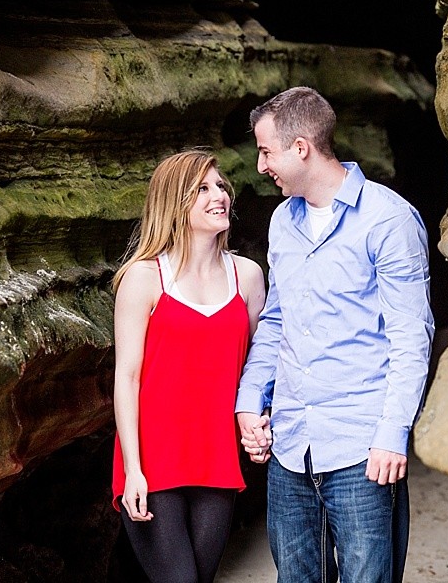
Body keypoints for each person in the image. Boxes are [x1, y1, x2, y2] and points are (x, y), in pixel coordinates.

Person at [235, 87, 435, 583]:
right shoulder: (283, 221)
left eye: (266, 151)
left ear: (301, 147)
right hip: (291, 447)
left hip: (362, 448)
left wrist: (393, 435)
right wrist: (248, 400)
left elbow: (412, 337)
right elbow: (277, 320)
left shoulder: (388, 220)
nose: (261, 166)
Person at [111, 149, 266, 583]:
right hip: (152, 463)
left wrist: (258, 418)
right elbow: (126, 378)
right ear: (174, 201)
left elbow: (258, 366)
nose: (218, 195)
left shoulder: (247, 277)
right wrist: (133, 471)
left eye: (220, 186)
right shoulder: (143, 277)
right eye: (202, 188)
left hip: (217, 459)